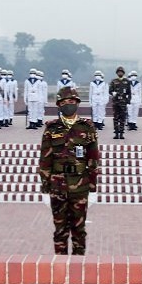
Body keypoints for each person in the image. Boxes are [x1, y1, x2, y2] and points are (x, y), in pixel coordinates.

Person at [38, 87, 99, 255]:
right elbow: (45, 161)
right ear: (59, 105)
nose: (68, 106)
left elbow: (93, 159)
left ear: (77, 103)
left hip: (80, 187)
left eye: (71, 102)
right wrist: (45, 188)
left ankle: (78, 268)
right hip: (57, 186)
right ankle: (60, 267)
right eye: (64, 103)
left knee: (79, 230)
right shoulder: (52, 128)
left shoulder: (87, 127)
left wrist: (93, 189)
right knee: (60, 230)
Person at [108, 66, 131, 139]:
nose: (120, 73)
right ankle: (116, 133)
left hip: (123, 102)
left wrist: (128, 100)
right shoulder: (113, 81)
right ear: (117, 73)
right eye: (118, 72)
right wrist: (113, 93)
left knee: (123, 118)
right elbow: (110, 91)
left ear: (123, 73)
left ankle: (121, 133)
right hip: (116, 102)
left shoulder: (127, 81)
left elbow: (129, 92)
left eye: (121, 72)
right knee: (115, 118)